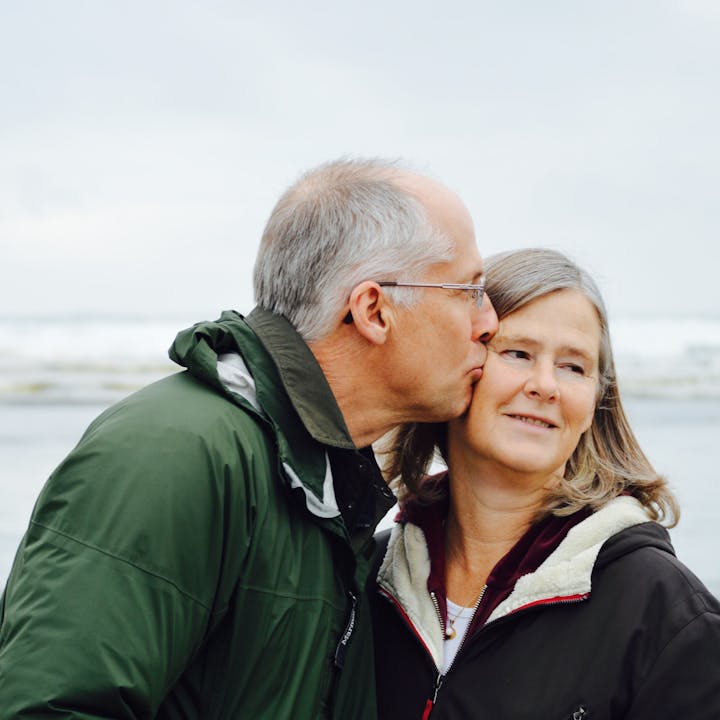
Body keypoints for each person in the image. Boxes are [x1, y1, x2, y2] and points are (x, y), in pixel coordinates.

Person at [0, 158, 499, 719]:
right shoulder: (176, 455)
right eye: (469, 290)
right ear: (373, 310)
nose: (489, 322)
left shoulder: (323, 483)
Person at [369, 247, 720, 719]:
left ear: (597, 401)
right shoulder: (369, 576)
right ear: (461, 365)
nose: (545, 385)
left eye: (573, 366)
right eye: (517, 353)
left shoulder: (668, 613)